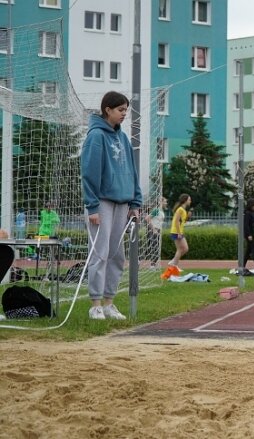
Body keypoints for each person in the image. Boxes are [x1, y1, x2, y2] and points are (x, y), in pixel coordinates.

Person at [80, 91, 142, 320]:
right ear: (108, 110)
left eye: (126, 110)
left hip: (123, 203)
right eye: (120, 110)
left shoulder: (123, 138)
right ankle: (95, 304)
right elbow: (89, 172)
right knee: (100, 252)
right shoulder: (96, 136)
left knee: (116, 254)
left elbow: (131, 172)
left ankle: (109, 302)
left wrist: (135, 202)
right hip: (102, 202)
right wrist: (92, 206)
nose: (124, 114)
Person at [167, 193, 192, 274]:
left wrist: (188, 217)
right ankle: (174, 264)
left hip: (179, 231)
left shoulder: (183, 210)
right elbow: (177, 221)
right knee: (181, 249)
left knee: (185, 249)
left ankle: (174, 262)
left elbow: (182, 222)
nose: (190, 201)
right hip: (176, 232)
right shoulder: (180, 209)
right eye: (189, 199)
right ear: (185, 200)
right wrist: (178, 233)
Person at [144, 196, 167, 268]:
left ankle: (152, 263)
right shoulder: (156, 210)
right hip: (153, 230)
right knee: (154, 247)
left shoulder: (161, 211)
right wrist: (153, 229)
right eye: (165, 201)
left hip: (158, 230)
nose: (166, 203)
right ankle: (152, 265)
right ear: (160, 202)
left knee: (154, 247)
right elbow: (147, 218)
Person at [242, 198, 254, 272]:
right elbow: (246, 225)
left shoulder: (252, 212)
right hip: (249, 235)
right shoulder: (247, 213)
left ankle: (242, 265)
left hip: (252, 234)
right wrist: (249, 235)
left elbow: (253, 224)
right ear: (251, 205)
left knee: (248, 251)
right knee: (253, 250)